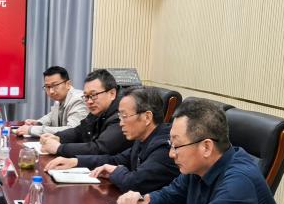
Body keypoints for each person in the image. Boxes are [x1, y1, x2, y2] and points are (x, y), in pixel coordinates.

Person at [117, 97, 284, 204]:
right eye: (170, 144)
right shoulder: (197, 168)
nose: (171, 154)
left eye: (177, 145)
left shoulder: (240, 181)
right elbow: (169, 196)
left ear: (206, 147)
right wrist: (143, 202)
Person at [45, 86, 178, 194]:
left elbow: (134, 183)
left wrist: (115, 171)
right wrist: (75, 161)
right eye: (120, 117)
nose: (121, 123)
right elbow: (116, 160)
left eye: (125, 116)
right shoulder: (143, 138)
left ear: (147, 117)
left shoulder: (165, 146)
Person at [37, 69, 128, 157]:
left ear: (112, 93)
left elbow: (100, 148)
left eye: (94, 95)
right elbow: (79, 131)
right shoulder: (99, 110)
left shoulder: (122, 115)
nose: (89, 101)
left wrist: (59, 148)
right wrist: (57, 137)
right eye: (86, 96)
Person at [13, 65, 86, 137]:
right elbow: (52, 116)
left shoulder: (79, 99)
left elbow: (72, 130)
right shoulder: (60, 98)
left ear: (68, 84)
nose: (51, 91)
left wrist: (31, 130)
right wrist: (38, 123)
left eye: (55, 85)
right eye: (48, 86)